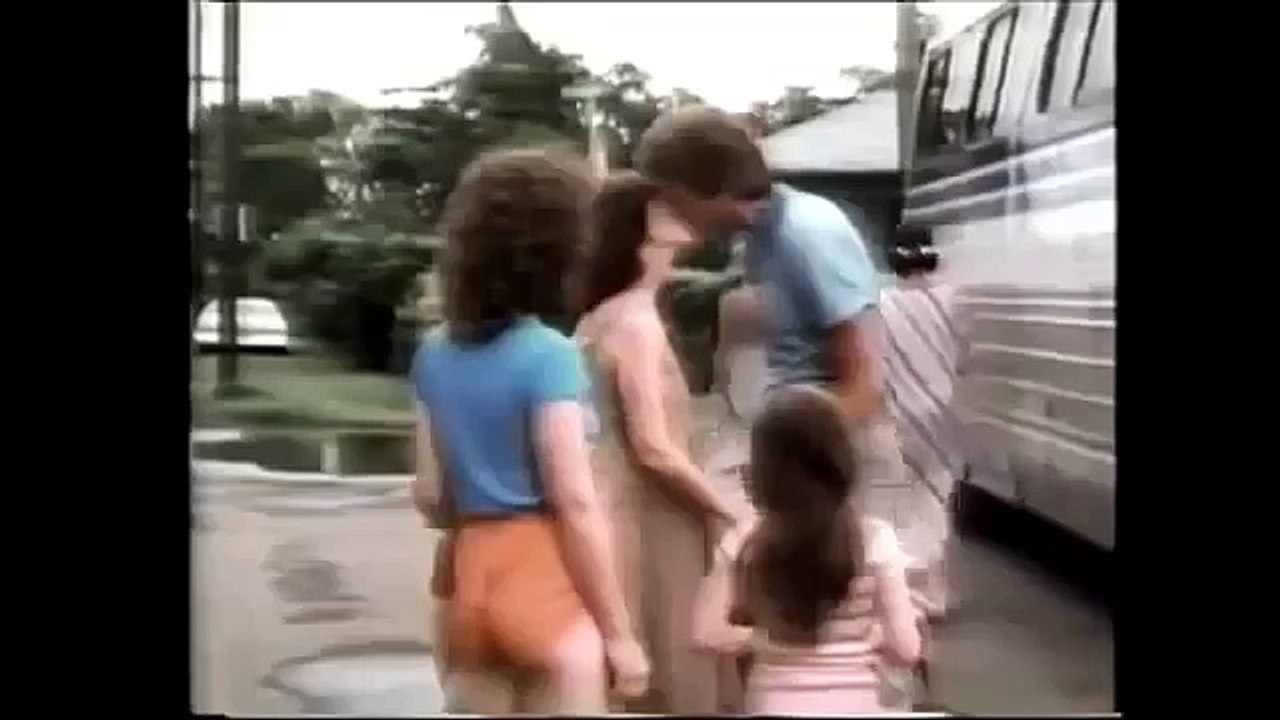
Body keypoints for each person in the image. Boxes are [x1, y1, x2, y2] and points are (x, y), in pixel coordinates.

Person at [409, 149, 648, 714]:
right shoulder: (549, 356)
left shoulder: (434, 352)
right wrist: (620, 635)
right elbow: (574, 502)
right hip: (546, 577)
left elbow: (431, 496)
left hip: (470, 579)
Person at [574, 171, 748, 714]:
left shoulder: (603, 315)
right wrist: (731, 511)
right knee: (673, 666)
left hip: (628, 507)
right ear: (643, 227)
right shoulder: (634, 322)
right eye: (669, 208)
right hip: (654, 516)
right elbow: (652, 445)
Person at [691, 384, 922, 714]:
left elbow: (704, 633)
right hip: (855, 706)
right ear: (844, 460)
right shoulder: (874, 538)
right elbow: (906, 650)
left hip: (773, 704)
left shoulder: (747, 538)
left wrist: (760, 640)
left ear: (763, 471)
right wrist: (875, 634)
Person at [878, 229, 969, 619]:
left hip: (896, 411)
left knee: (901, 502)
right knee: (938, 498)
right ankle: (936, 589)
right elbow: (966, 356)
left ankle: (908, 591)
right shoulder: (954, 300)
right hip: (944, 412)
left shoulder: (881, 303)